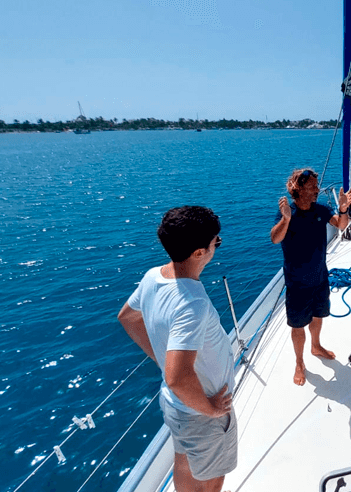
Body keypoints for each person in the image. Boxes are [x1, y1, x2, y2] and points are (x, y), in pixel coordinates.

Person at [116, 206, 236, 492]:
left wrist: (161, 358)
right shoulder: (192, 302)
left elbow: (128, 317)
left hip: (176, 406)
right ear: (198, 253)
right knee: (212, 478)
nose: (215, 247)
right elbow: (177, 377)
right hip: (200, 412)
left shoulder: (152, 277)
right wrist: (211, 410)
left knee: (184, 462)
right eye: (215, 242)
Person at [270, 168, 351, 386]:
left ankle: (316, 346)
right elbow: (275, 238)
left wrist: (343, 209)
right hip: (297, 283)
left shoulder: (321, 209)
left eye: (317, 185)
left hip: (320, 278)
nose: (318, 189)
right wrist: (286, 220)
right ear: (298, 189)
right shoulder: (287, 212)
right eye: (313, 186)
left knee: (318, 317)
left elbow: (341, 225)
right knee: (297, 326)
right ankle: (299, 362)